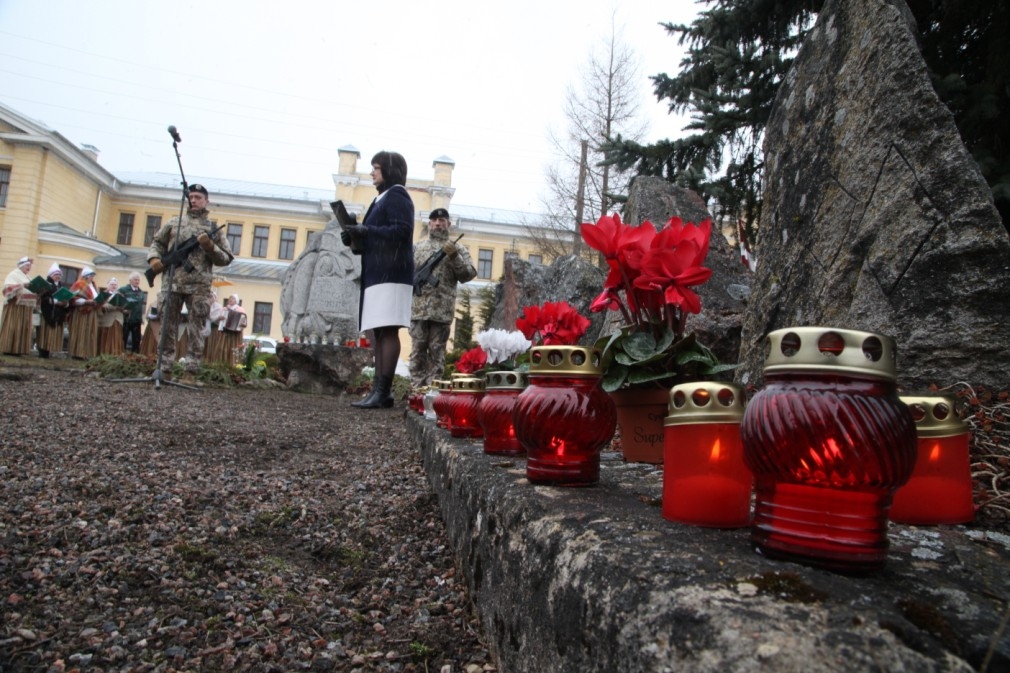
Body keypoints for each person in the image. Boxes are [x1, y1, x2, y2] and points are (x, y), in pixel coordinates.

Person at [341, 150, 414, 409]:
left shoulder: (397, 195)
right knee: (380, 330)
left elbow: (402, 231)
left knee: (389, 328)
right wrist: (355, 239)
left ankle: (383, 391)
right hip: (378, 271)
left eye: (376, 167)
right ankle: (379, 391)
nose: (372, 172)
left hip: (392, 272)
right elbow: (375, 239)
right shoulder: (379, 200)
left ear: (390, 171)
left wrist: (367, 229)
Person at [147, 183, 233, 381]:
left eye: (198, 197)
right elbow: (157, 243)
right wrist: (154, 260)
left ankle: (191, 371)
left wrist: (210, 246)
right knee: (167, 325)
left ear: (206, 201)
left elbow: (226, 258)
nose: (193, 200)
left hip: (199, 286)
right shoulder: (174, 223)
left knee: (196, 329)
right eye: (191, 196)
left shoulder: (213, 229)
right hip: (172, 283)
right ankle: (164, 368)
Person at [409, 208, 476, 388]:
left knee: (437, 357)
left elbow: (468, 275)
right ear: (429, 224)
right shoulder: (418, 248)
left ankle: (432, 395)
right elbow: (405, 274)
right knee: (417, 355)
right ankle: (416, 393)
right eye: (434, 220)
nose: (438, 223)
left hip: (441, 312)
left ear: (448, 224)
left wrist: (454, 256)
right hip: (418, 310)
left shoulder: (458, 249)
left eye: (441, 220)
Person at [1, 256, 36, 355]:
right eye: (27, 265)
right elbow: (7, 289)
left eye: (30, 266)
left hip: (25, 306)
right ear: (22, 266)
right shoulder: (14, 274)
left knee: (22, 327)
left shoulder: (28, 277)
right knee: (12, 326)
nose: (29, 268)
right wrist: (22, 285)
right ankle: (8, 348)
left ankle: (19, 349)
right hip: (14, 306)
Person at [37, 263, 70, 358]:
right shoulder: (46, 285)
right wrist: (55, 301)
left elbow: (65, 297)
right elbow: (43, 298)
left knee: (54, 332)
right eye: (56, 275)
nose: (58, 277)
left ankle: (50, 350)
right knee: (45, 332)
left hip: (58, 312)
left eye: (59, 275)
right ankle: (43, 351)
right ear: (51, 275)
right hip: (48, 312)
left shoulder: (61, 286)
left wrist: (66, 303)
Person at [68, 267, 100, 359]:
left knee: (89, 332)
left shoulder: (94, 286)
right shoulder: (79, 284)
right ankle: (77, 353)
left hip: (92, 312)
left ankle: (86, 353)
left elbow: (96, 297)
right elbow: (73, 298)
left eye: (93, 276)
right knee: (80, 332)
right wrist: (86, 302)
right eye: (91, 276)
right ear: (86, 276)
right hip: (81, 312)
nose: (92, 278)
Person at [97, 277, 124, 356]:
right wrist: (112, 306)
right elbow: (100, 305)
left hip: (117, 319)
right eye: (112, 284)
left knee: (116, 338)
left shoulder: (120, 295)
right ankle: (103, 354)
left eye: (115, 285)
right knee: (105, 338)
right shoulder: (103, 294)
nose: (114, 286)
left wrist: (125, 308)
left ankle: (115, 354)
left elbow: (124, 305)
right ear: (107, 285)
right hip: (106, 319)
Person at [120, 271, 146, 353]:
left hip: (137, 319)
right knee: (123, 339)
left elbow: (141, 306)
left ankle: (135, 358)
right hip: (126, 319)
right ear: (130, 280)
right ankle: (121, 356)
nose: (137, 281)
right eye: (135, 279)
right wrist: (123, 310)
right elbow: (117, 302)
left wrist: (141, 318)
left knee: (136, 341)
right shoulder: (123, 290)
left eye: (138, 280)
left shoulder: (141, 292)